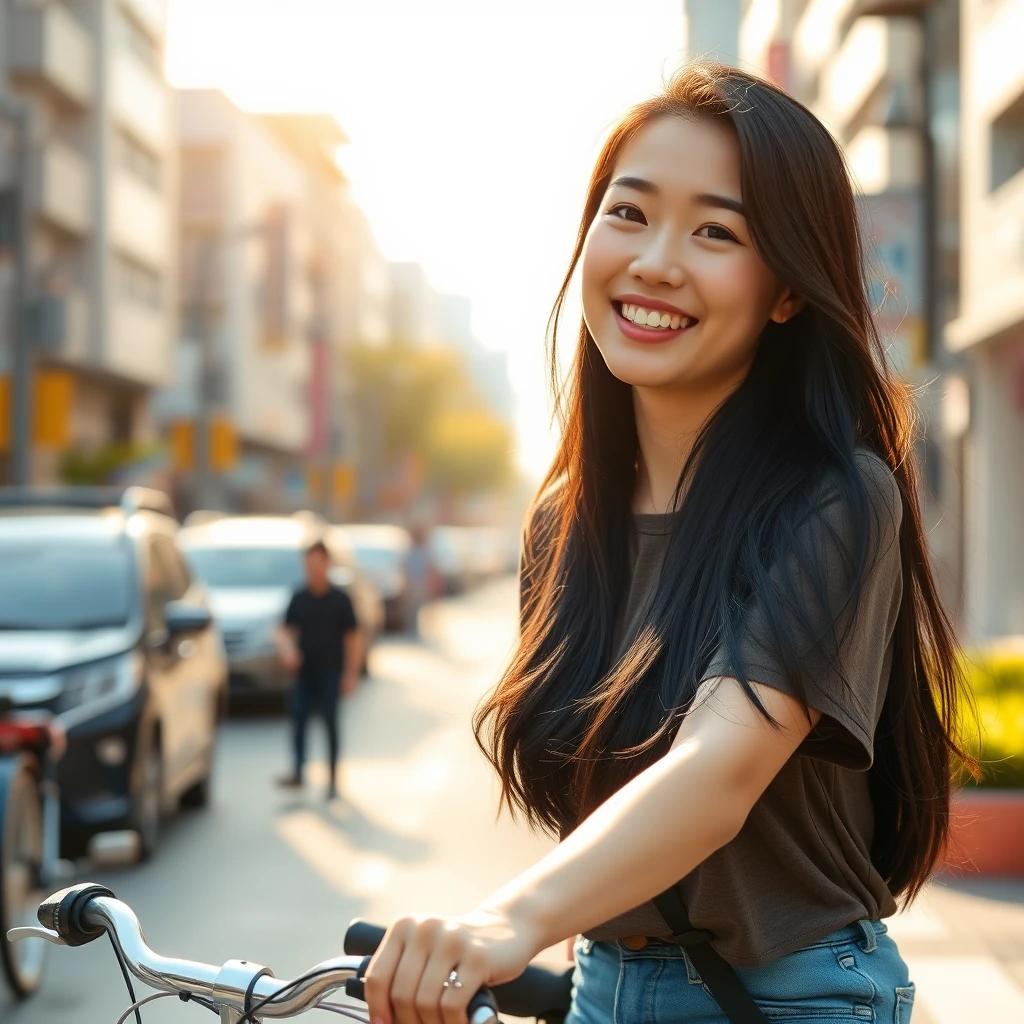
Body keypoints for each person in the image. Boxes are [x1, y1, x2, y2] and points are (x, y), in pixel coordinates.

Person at [362, 62, 976, 1024]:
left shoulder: (834, 497)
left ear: (785, 291)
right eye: (630, 213)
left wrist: (501, 922)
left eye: (717, 232)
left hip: (794, 997)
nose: (655, 261)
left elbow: (717, 770)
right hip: (604, 983)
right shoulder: (562, 521)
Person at [275, 539, 361, 801]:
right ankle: (299, 771)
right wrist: (288, 651)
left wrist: (350, 674)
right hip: (305, 671)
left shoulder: (340, 599)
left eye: (317, 563)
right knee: (299, 718)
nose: (312, 568)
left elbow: (353, 638)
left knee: (330, 721)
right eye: (308, 564)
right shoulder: (299, 597)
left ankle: (333, 779)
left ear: (327, 563)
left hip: (331, 670)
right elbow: (285, 630)